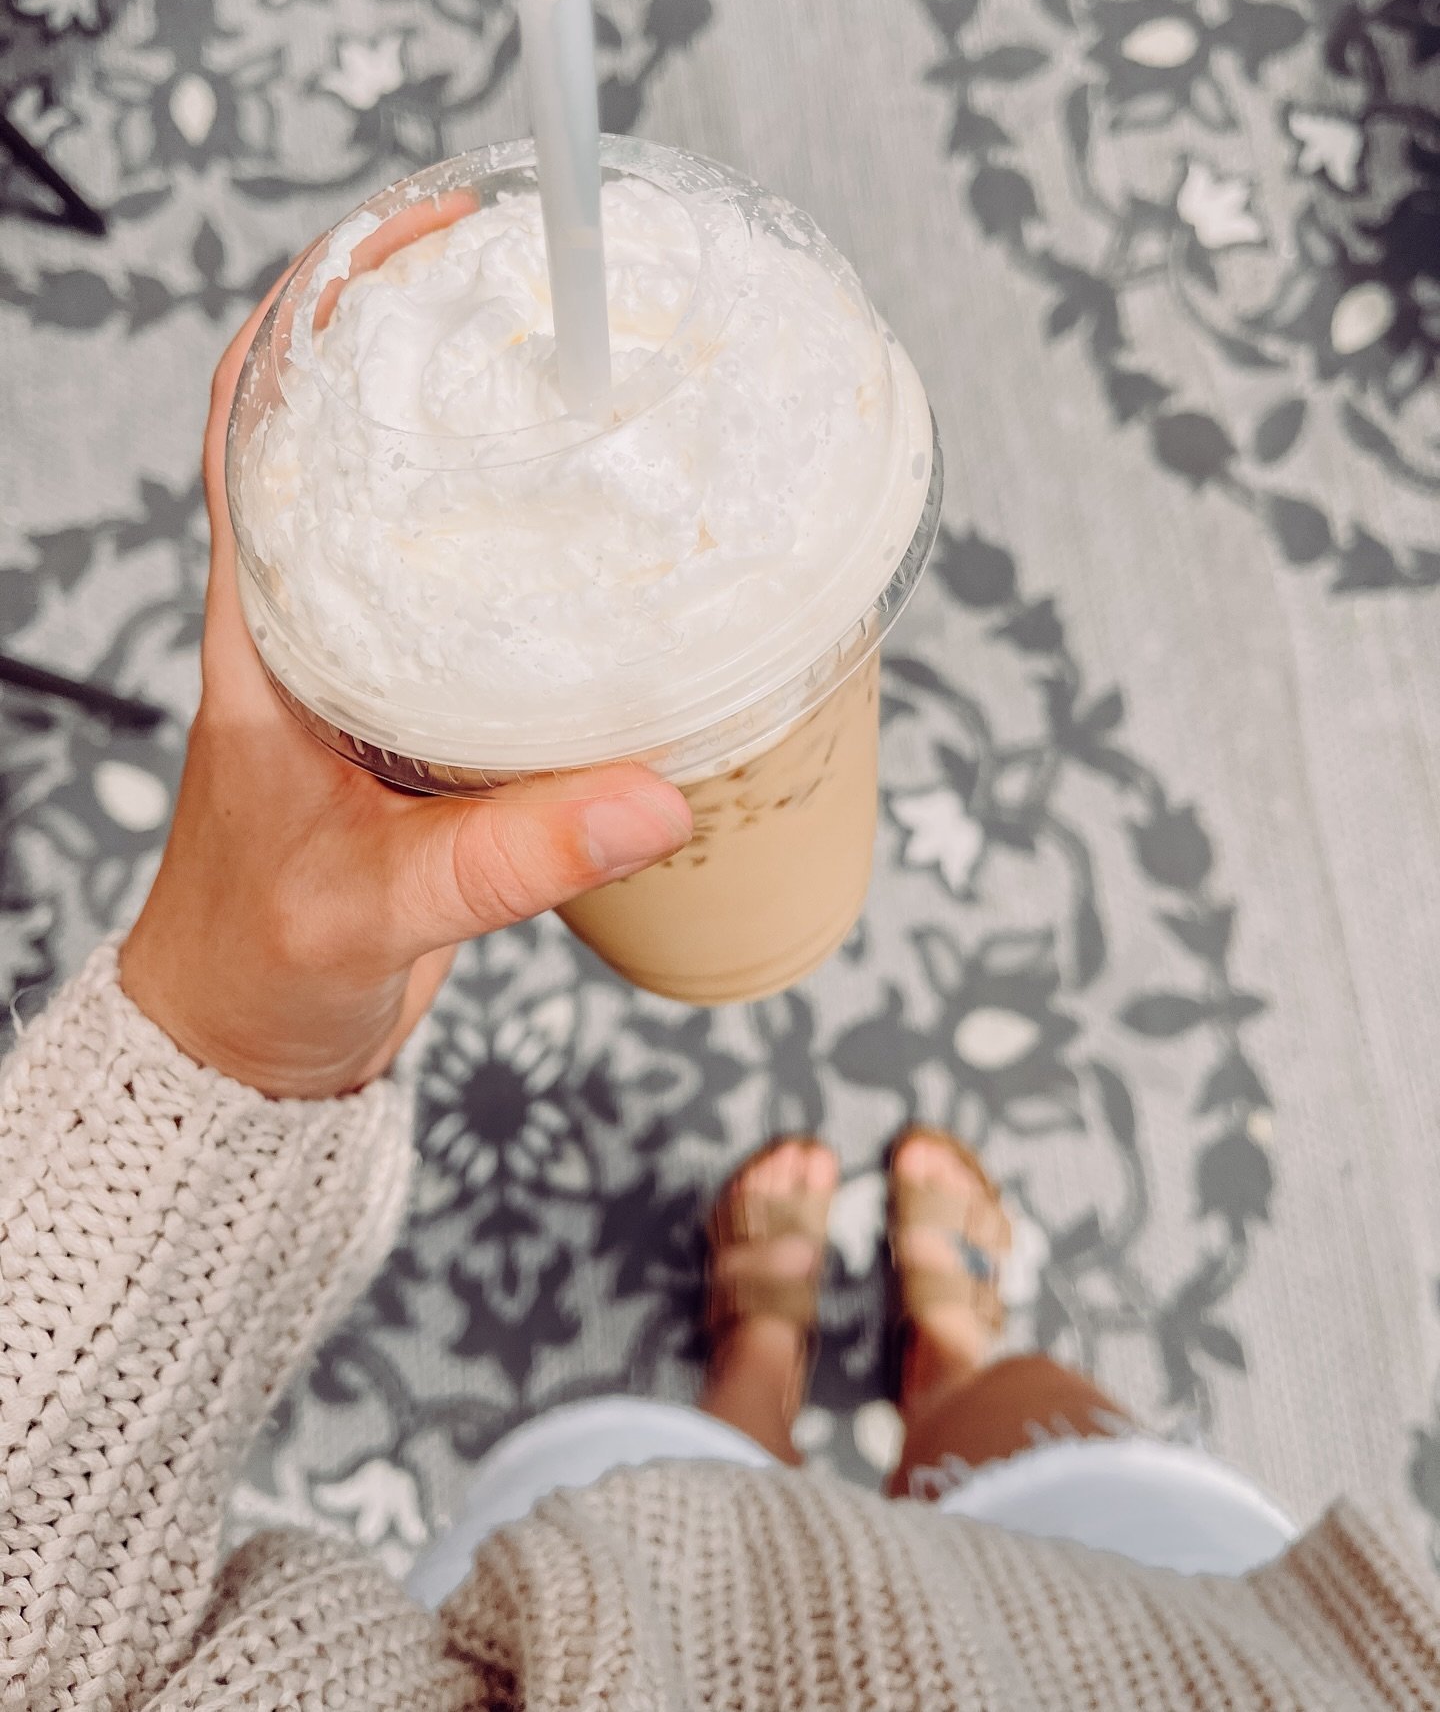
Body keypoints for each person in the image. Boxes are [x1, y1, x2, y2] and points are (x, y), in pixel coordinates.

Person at [2, 309, 1436, 1712]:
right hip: (1169, 1645)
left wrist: (221, 1032)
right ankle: (954, 1353)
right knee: (1038, 1433)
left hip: (633, 1636)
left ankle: (757, 1353)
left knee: (670, 1483)